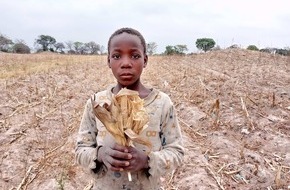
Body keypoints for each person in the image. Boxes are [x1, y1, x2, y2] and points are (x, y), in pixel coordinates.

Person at [75, 27, 184, 190]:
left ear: (145, 60)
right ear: (108, 61)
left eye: (135, 56)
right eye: (117, 56)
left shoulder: (162, 103)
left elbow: (176, 152)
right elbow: (80, 150)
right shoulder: (97, 103)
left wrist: (147, 161)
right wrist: (100, 154)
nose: (126, 63)